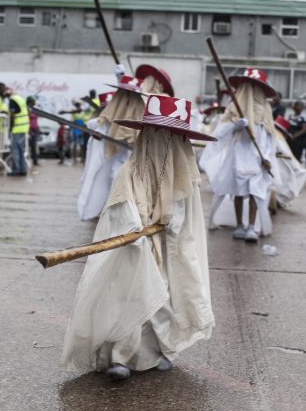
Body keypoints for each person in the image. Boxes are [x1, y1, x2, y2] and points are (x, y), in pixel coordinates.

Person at [61, 93, 216, 380]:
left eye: (169, 137)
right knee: (128, 295)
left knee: (165, 298)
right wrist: (135, 229)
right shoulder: (129, 171)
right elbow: (121, 207)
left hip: (171, 248)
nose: (161, 143)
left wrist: (171, 225)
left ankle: (160, 351)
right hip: (134, 246)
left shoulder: (186, 176)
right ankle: (121, 355)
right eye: (154, 135)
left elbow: (187, 218)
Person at [200, 68, 306, 241]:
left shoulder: (265, 110)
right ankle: (240, 225)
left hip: (258, 159)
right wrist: (235, 126)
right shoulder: (234, 107)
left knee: (255, 192)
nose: (251, 91)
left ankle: (251, 226)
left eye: (256, 86)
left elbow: (268, 137)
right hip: (238, 157)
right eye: (249, 86)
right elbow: (220, 133)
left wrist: (266, 157)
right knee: (237, 191)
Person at [76, 74, 144, 220]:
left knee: (123, 187)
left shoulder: (138, 114)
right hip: (113, 161)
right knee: (111, 182)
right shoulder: (107, 120)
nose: (128, 101)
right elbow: (96, 125)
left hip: (128, 163)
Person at [8, 90, 30, 176]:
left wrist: (10, 127)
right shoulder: (20, 99)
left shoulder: (12, 100)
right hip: (24, 127)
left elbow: (12, 114)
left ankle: (16, 169)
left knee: (15, 150)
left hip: (17, 127)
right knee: (21, 150)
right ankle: (23, 169)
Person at [27, 96, 40, 170]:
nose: (35, 102)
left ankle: (35, 161)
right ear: (30, 102)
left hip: (35, 130)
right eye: (33, 101)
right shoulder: (27, 110)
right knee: (28, 146)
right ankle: (28, 160)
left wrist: (38, 128)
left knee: (34, 146)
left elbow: (36, 120)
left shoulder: (34, 110)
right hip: (30, 130)